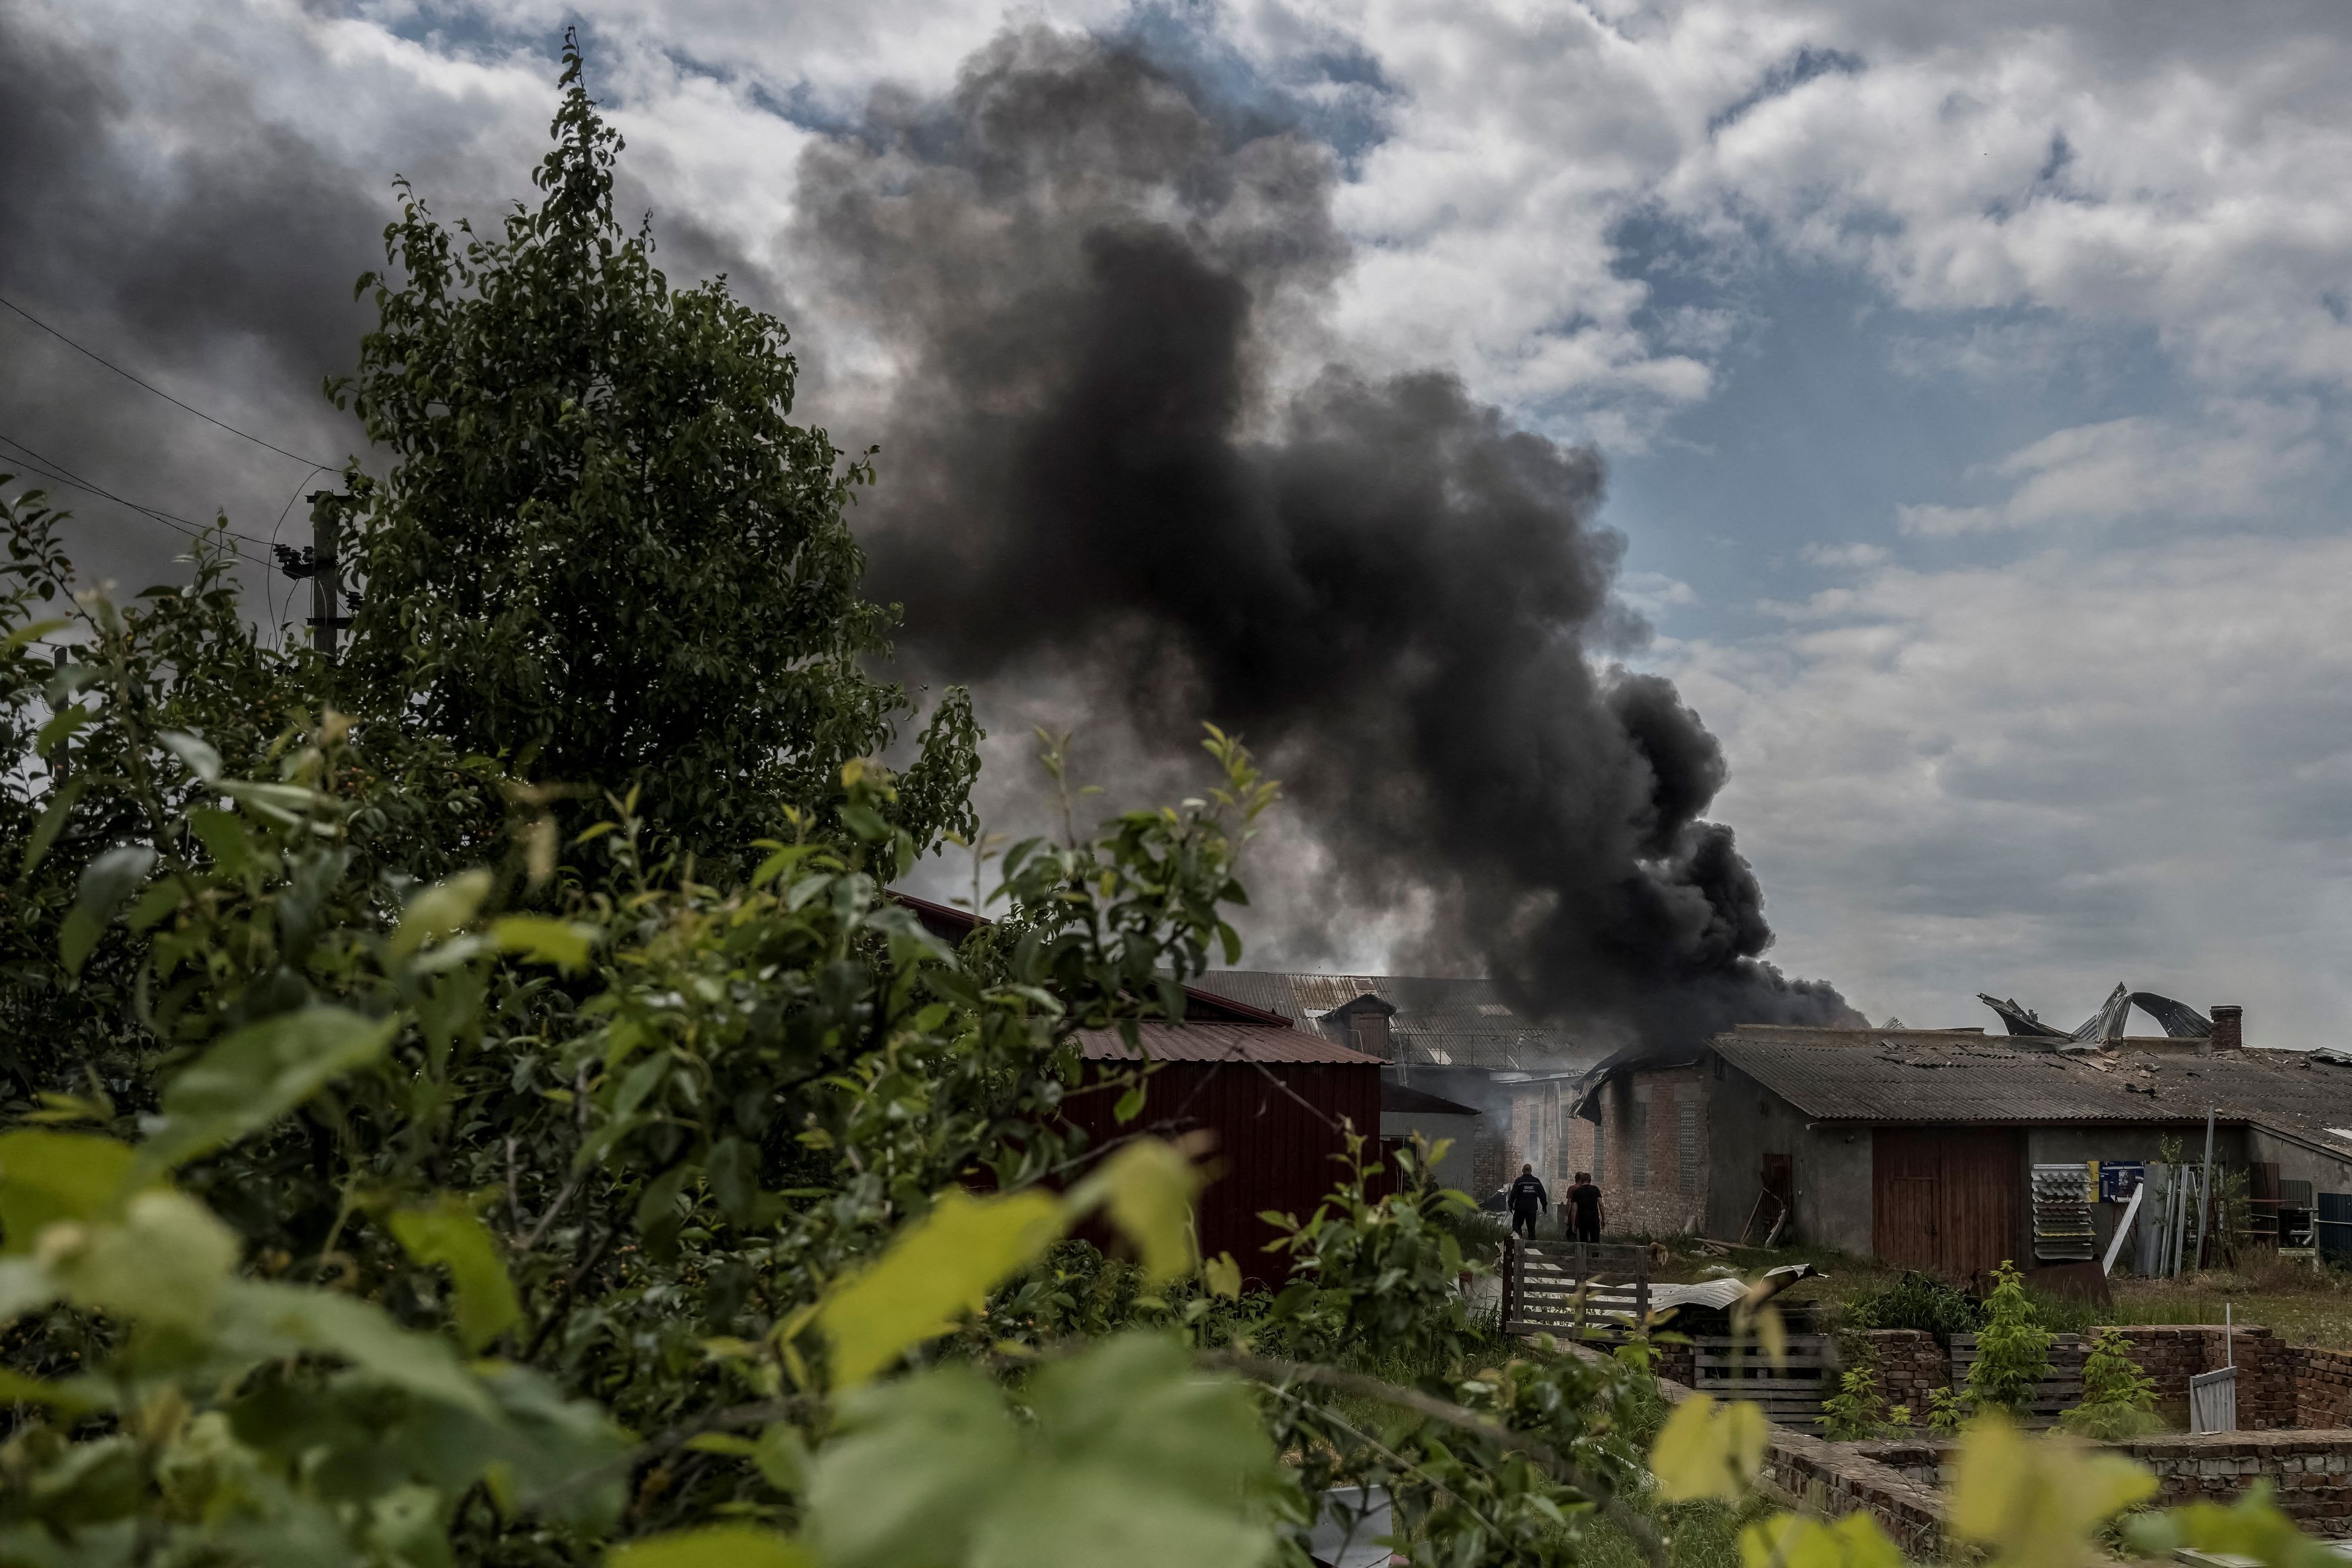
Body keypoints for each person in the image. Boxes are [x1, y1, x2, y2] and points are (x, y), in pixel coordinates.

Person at [1506, 1163, 1548, 1239]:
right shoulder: (1536, 1181)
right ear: (1531, 1171)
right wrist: (1544, 1205)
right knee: (1531, 1229)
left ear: (1523, 1171)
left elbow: (1513, 1194)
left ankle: (1518, 1244)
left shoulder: (1519, 1181)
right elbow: (1542, 1194)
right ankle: (1532, 1246)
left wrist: (1510, 1204)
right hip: (1532, 1209)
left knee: (1516, 1227)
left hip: (1520, 1209)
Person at [1565, 1170, 1603, 1248]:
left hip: (1582, 1221)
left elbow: (1574, 1209)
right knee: (1595, 1242)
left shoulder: (1577, 1191)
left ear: (1581, 1180)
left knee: (1583, 1243)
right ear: (1590, 1181)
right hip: (1594, 1220)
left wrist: (1573, 1224)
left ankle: (1583, 1259)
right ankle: (1595, 1259)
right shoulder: (1595, 1189)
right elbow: (1600, 1204)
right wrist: (1604, 1218)